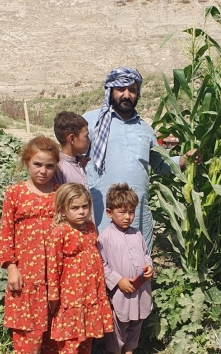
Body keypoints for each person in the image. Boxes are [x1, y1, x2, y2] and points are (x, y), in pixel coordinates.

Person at [84, 67, 200, 252]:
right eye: (121, 89)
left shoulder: (145, 129)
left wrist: (185, 160)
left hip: (135, 213)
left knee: (137, 262)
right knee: (102, 262)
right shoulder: (91, 122)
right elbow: (73, 161)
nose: (127, 95)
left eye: (132, 90)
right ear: (110, 90)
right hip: (101, 212)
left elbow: (160, 164)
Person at [0, 135, 64, 354]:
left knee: (52, 328)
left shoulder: (60, 193)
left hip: (55, 274)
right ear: (27, 162)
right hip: (28, 273)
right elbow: (6, 231)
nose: (43, 171)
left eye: (49, 166)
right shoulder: (15, 193)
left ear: (55, 166)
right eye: (37, 164)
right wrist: (12, 266)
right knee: (29, 330)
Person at [45, 183, 114, 354]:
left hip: (91, 296)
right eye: (75, 208)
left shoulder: (91, 227)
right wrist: (54, 297)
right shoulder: (59, 232)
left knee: (87, 340)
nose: (82, 211)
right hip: (71, 299)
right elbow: (53, 267)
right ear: (62, 209)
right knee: (71, 343)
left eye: (85, 206)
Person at [97, 183, 154, 354]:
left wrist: (149, 266)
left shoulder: (137, 234)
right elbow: (101, 265)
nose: (127, 217)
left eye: (131, 212)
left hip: (139, 289)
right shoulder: (104, 238)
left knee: (136, 321)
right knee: (118, 325)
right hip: (120, 291)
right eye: (122, 212)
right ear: (109, 212)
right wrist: (118, 280)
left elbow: (146, 254)